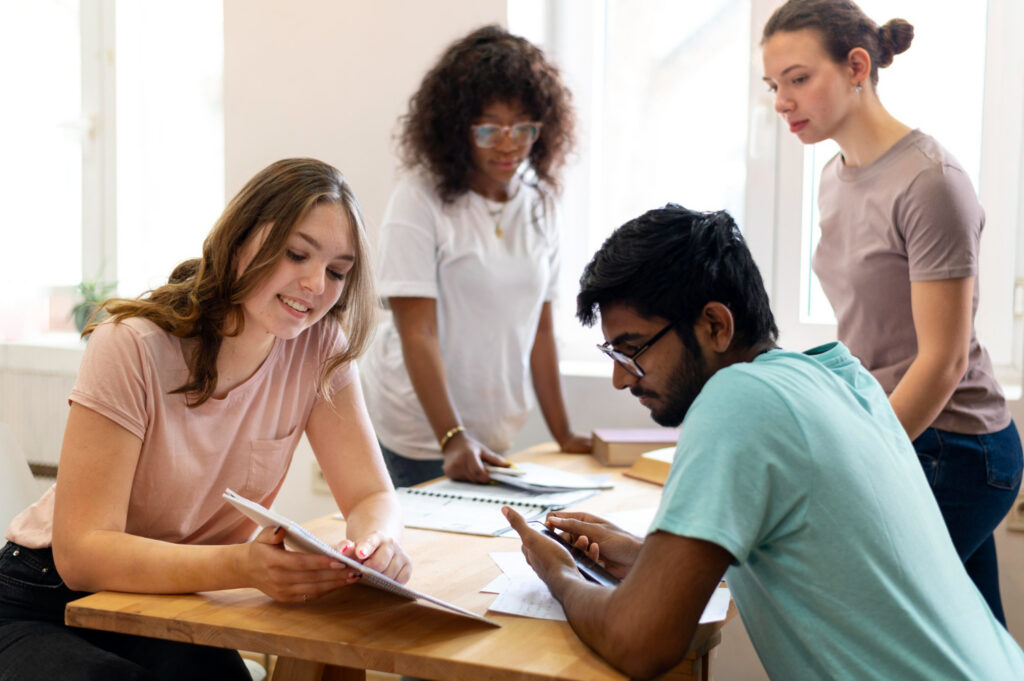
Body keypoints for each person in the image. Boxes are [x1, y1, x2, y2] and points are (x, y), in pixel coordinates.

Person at [504, 205, 1024, 681]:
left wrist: (560, 574)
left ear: (714, 325)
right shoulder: (843, 379)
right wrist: (649, 562)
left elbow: (640, 643)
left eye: (633, 350)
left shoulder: (737, 399)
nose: (623, 380)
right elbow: (829, 565)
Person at [0, 158, 411, 681]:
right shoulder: (131, 345)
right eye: (296, 254)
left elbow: (371, 496)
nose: (315, 284)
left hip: (166, 604)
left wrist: (377, 547)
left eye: (336, 271)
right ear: (239, 240)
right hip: (44, 601)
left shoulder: (318, 349)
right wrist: (242, 567)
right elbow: (82, 554)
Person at [760, 0, 1023, 624]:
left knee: (862, 622)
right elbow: (869, 333)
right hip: (904, 431)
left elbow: (944, 359)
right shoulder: (834, 174)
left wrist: (861, 455)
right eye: (774, 86)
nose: (781, 102)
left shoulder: (930, 182)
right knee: (968, 644)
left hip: (955, 450)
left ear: (857, 67)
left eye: (798, 79)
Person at [362, 25, 591, 487]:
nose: (508, 144)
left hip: (491, 431)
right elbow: (417, 332)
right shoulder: (419, 199)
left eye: (523, 127)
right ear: (456, 127)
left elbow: (541, 329)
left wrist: (562, 432)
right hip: (417, 431)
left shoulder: (541, 205)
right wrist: (451, 436)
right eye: (489, 128)